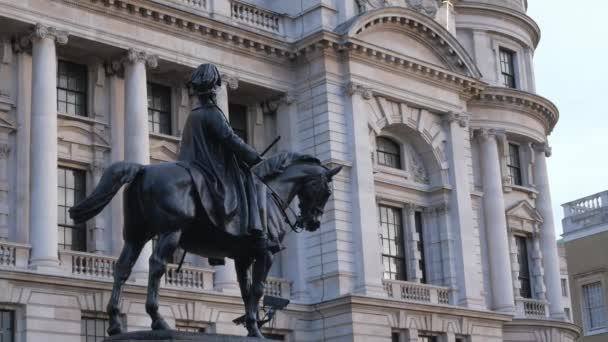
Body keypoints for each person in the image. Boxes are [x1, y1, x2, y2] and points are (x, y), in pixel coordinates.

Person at [178, 64, 265, 261]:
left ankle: (214, 247)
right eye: (216, 88)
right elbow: (230, 140)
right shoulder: (212, 113)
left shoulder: (193, 115)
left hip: (191, 164)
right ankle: (252, 230)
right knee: (245, 179)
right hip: (209, 167)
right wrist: (254, 157)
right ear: (213, 90)